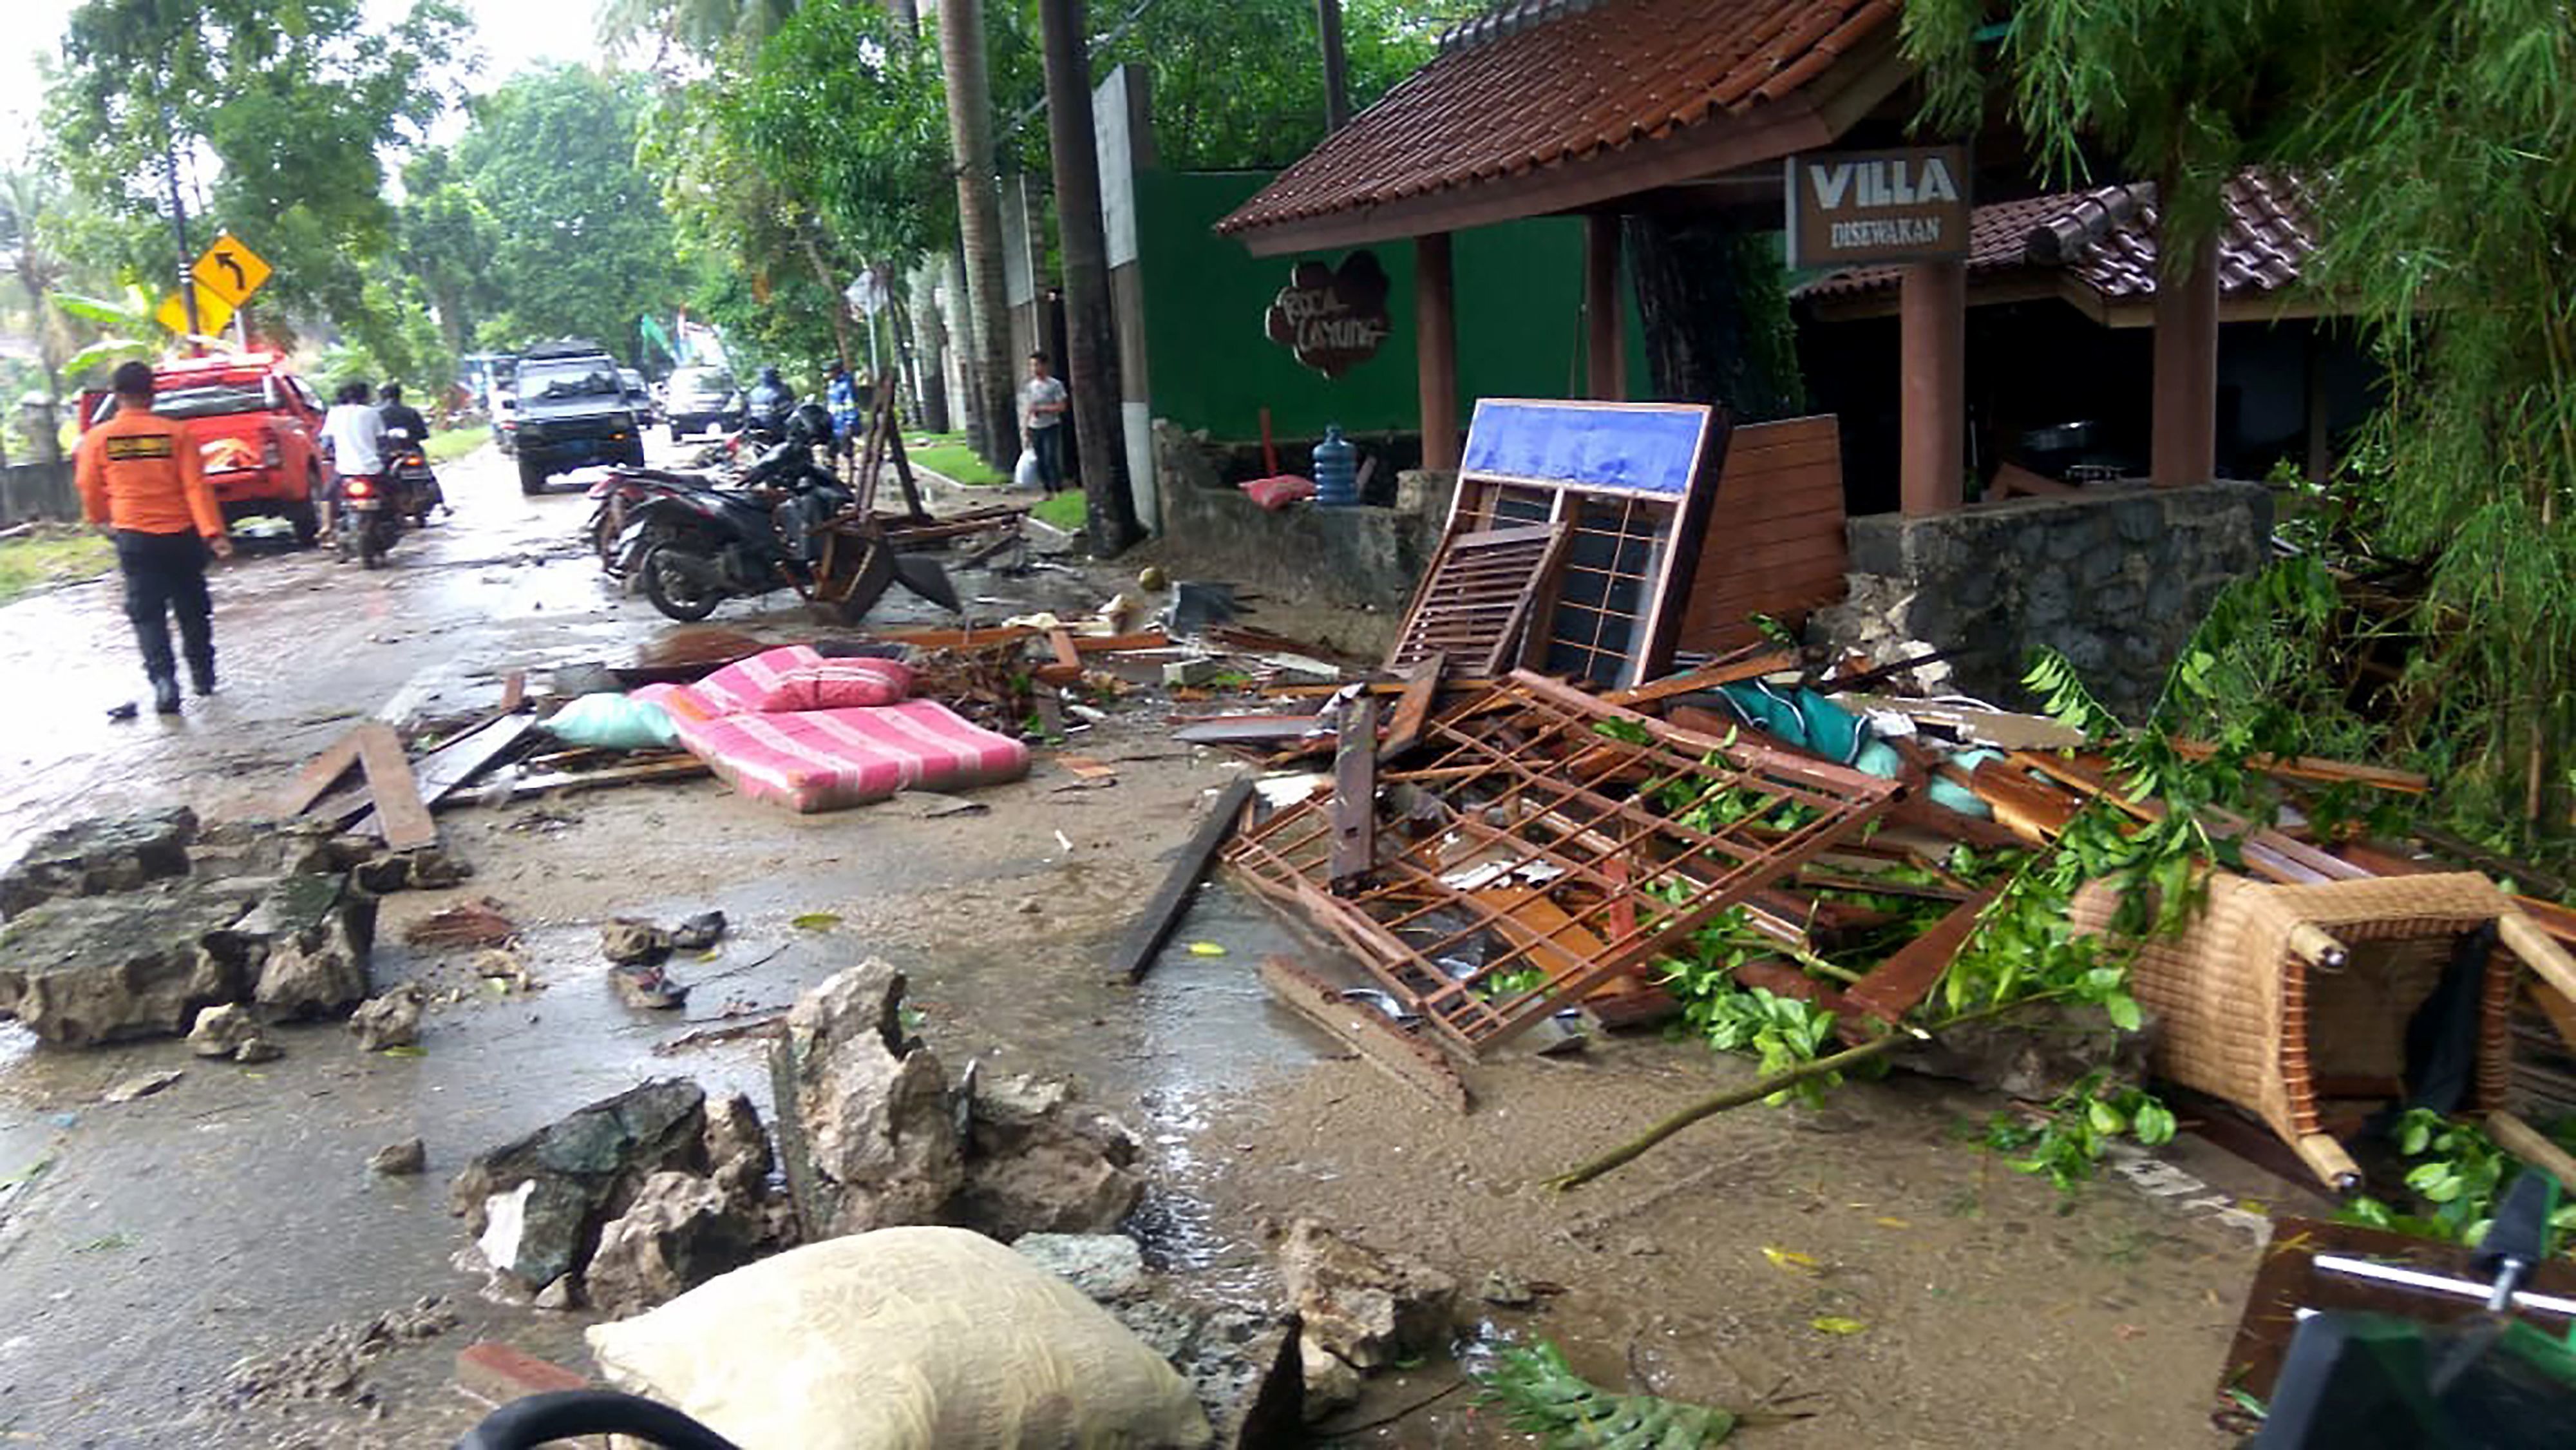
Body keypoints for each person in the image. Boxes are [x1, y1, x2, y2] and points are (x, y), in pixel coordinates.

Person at [75, 359, 234, 714]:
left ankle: (164, 683)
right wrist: (213, 532)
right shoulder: (176, 434)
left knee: (147, 614)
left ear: (116, 396)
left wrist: (100, 519)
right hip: (182, 535)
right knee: (192, 608)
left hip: (134, 536)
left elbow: (88, 485)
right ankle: (203, 676)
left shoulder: (98, 438)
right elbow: (196, 487)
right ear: (153, 394)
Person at [319, 380, 388, 544]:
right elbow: (383, 441)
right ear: (365, 396)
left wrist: (327, 454)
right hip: (372, 468)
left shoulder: (334, 414)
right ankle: (403, 517)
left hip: (346, 471)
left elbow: (326, 442)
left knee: (327, 495)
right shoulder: (372, 413)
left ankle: (326, 526)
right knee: (393, 490)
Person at [1019, 351, 1069, 496]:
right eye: (1032, 366)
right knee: (1040, 459)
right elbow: (1028, 408)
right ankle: (1047, 489)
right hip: (1035, 427)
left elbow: (1062, 406)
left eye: (1037, 365)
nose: (1034, 369)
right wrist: (1026, 427)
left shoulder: (1055, 385)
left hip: (1051, 426)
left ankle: (1058, 487)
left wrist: (1043, 409)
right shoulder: (1030, 386)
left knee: (1050, 457)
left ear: (1045, 366)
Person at [824, 362, 860, 468]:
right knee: (831, 452)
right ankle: (833, 477)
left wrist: (850, 422)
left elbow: (851, 404)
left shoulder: (846, 384)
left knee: (847, 452)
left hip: (844, 423)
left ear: (836, 371)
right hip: (833, 422)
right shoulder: (833, 384)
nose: (826, 374)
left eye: (828, 371)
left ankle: (851, 478)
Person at [376, 383, 430, 449]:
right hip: (411, 449)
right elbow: (424, 434)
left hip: (387, 451)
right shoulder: (412, 412)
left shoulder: (377, 414)